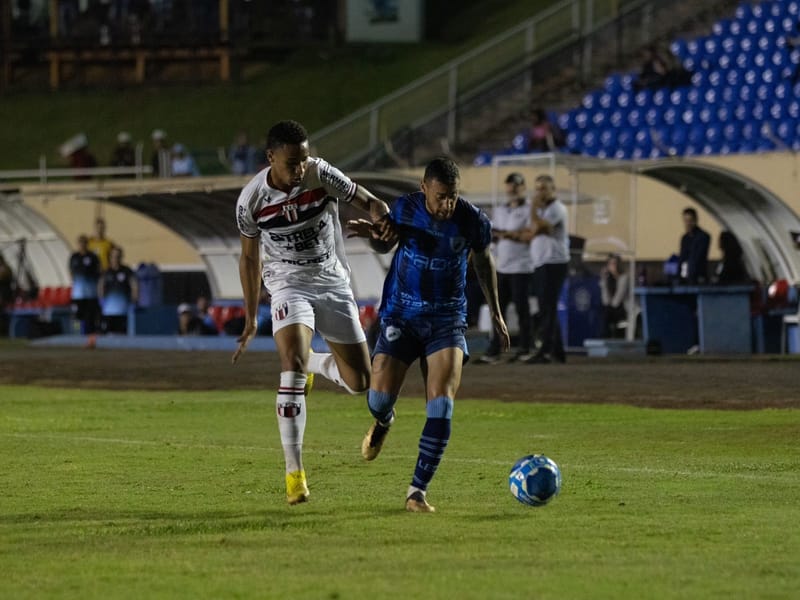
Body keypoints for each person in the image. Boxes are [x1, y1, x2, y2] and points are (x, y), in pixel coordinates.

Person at [231, 119, 392, 506]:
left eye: (303, 160)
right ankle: (294, 474)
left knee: (360, 383)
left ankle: (317, 366)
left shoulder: (321, 173)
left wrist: (382, 219)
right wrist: (252, 317)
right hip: (288, 283)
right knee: (291, 363)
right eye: (292, 162)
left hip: (333, 280)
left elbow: (370, 201)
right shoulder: (251, 202)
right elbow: (249, 258)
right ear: (270, 158)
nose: (300, 169)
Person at [349, 156, 509, 513]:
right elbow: (383, 244)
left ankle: (417, 491)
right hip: (401, 315)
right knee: (378, 400)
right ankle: (384, 420)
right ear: (424, 189)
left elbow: (484, 261)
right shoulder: (405, 209)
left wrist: (496, 310)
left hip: (447, 320)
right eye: (440, 196)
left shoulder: (472, 221)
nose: (446, 204)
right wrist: (376, 237)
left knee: (441, 404)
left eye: (452, 196)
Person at [479, 172, 534, 363]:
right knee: (497, 310)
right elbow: (494, 232)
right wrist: (510, 234)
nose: (512, 190)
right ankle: (495, 349)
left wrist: (507, 234)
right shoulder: (501, 210)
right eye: (510, 187)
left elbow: (528, 234)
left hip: (521, 267)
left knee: (522, 310)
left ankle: (526, 347)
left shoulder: (529, 209)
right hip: (501, 266)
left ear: (522, 188)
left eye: (516, 186)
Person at [519, 174, 569, 364]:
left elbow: (538, 228)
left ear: (552, 190)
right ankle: (557, 350)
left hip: (554, 262)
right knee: (546, 307)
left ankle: (546, 350)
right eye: (537, 188)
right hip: (541, 263)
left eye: (543, 188)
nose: (540, 192)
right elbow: (530, 232)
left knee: (547, 307)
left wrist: (532, 207)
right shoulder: (545, 210)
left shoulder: (557, 208)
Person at [99, 246, 138, 334]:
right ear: (110, 257)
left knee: (122, 334)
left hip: (123, 311)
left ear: (121, 257)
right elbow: (101, 286)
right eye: (114, 256)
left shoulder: (127, 271)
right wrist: (101, 300)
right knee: (108, 334)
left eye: (118, 256)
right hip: (108, 311)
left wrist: (134, 300)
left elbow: (134, 286)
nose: (116, 259)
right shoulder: (106, 272)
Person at [69, 235, 101, 336]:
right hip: (78, 294)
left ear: (87, 244)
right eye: (80, 243)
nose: (82, 245)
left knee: (90, 316)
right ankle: (76, 333)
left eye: (84, 243)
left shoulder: (93, 257)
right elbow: (71, 272)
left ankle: (90, 336)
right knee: (77, 316)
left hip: (90, 294)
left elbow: (98, 272)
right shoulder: (74, 257)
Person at [600, 253, 630, 338]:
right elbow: (605, 300)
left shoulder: (624, 277)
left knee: (607, 313)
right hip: (610, 308)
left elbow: (618, 298)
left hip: (622, 307)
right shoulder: (607, 278)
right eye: (610, 264)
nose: (612, 266)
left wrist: (610, 307)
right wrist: (604, 280)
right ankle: (605, 338)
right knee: (604, 312)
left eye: (614, 263)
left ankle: (611, 336)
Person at [678, 207, 711, 284]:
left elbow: (697, 257)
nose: (688, 224)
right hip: (685, 276)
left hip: (698, 277)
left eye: (690, 221)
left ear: (695, 220)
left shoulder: (703, 237)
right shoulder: (685, 238)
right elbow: (682, 257)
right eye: (686, 221)